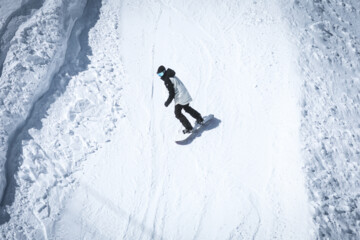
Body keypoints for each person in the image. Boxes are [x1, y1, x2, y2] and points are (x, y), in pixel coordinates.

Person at [157, 65, 204, 134]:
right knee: (187, 108)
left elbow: (171, 93)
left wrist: (167, 102)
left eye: (161, 74)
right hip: (184, 94)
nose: (160, 76)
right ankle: (199, 118)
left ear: (164, 72)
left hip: (180, 96)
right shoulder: (170, 75)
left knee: (177, 113)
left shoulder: (167, 79)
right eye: (158, 74)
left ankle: (189, 128)